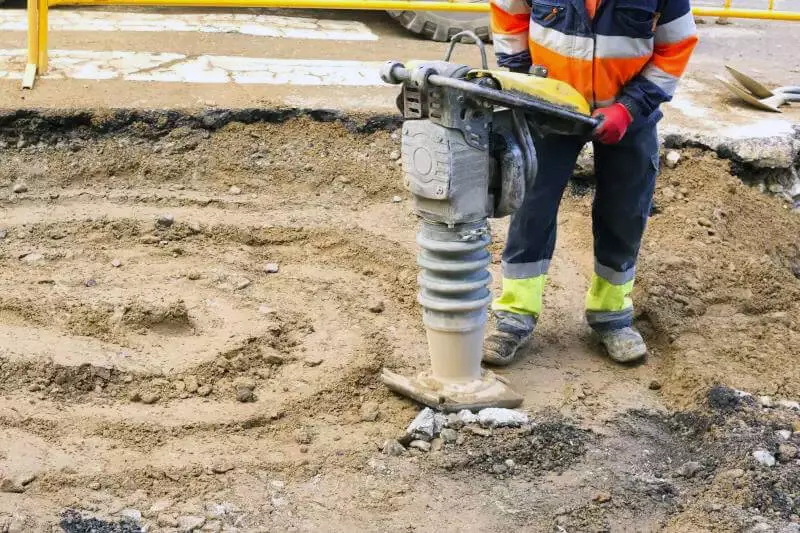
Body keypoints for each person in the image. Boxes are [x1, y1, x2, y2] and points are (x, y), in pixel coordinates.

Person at [484, 0, 698, 365]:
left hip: (629, 115)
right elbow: (508, 17)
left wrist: (629, 107)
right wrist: (526, 85)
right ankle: (514, 316)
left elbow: (675, 46)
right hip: (549, 107)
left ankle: (611, 315)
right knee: (532, 208)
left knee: (624, 212)